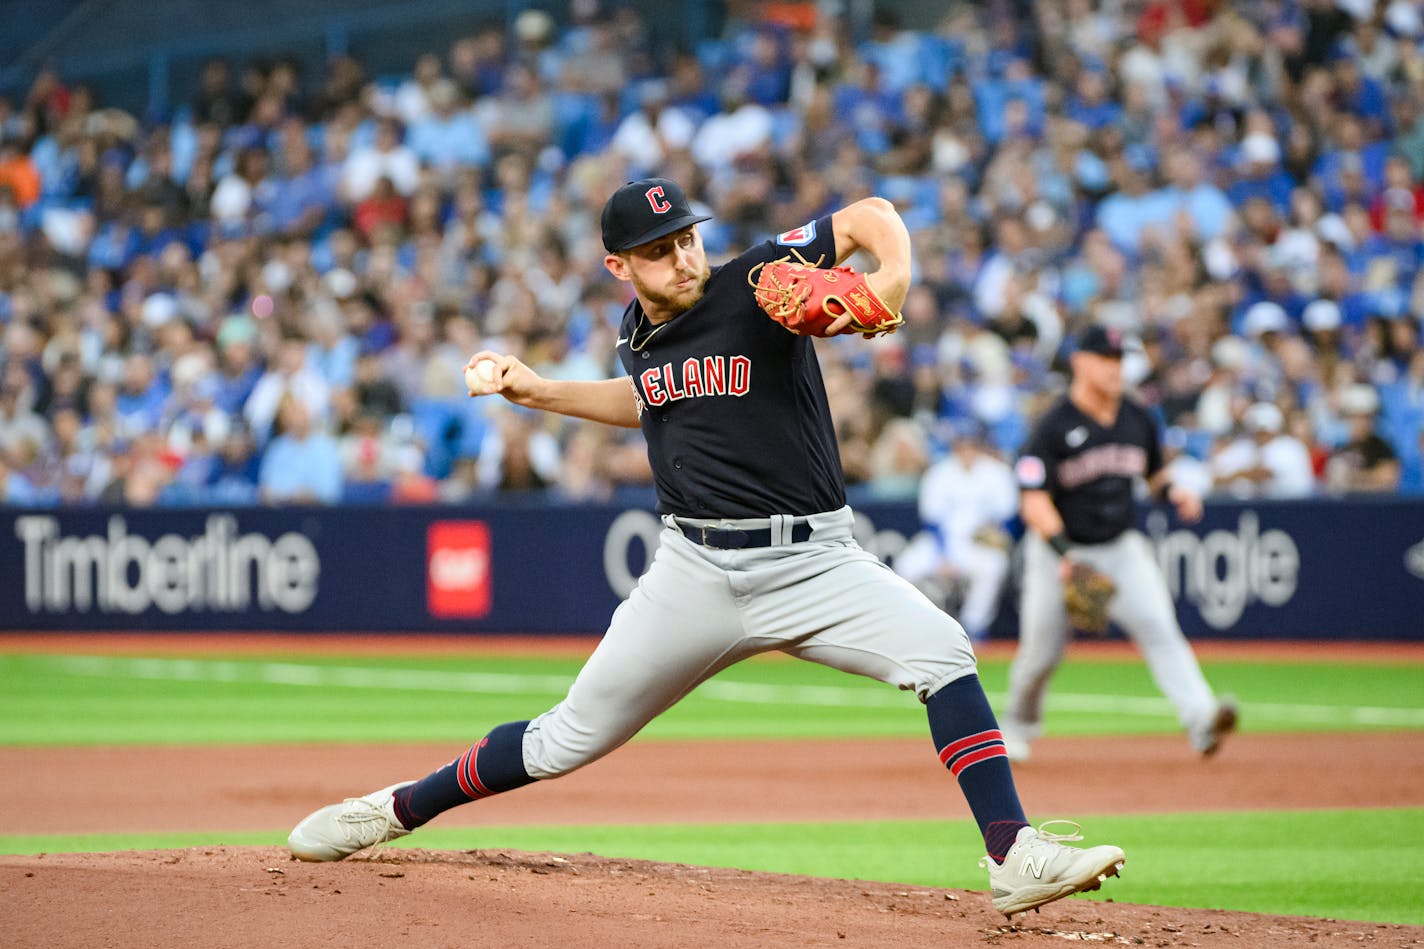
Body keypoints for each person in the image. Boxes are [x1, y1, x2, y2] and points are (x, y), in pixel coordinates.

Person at [287, 178, 1125, 918]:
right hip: (693, 569)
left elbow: (871, 214)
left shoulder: (756, 280)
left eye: (686, 238)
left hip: (812, 561)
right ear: (620, 266)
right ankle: (393, 808)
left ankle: (1011, 852)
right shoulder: (638, 333)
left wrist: (891, 277)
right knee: (560, 741)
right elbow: (654, 400)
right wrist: (537, 388)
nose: (682, 259)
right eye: (658, 251)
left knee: (943, 649)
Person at [1003, 326, 1238, 762]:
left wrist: (1175, 492)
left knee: (1159, 627)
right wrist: (1064, 555)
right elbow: (1032, 501)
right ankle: (1016, 727)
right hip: (1058, 550)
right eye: (1105, 359)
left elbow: (1153, 475)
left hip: (1120, 545)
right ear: (1080, 362)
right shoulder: (1053, 425)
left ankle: (1202, 720)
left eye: (1119, 359)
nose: (1115, 368)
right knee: (1040, 654)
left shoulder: (1137, 417)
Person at [895, 421, 1019, 641]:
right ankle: (915, 626)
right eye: (962, 445)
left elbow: (1006, 519)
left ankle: (974, 627)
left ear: (980, 446)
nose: (967, 450)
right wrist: (944, 556)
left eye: (971, 445)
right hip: (941, 542)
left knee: (994, 565)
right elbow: (933, 521)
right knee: (905, 566)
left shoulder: (997, 472)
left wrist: (998, 536)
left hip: (977, 545)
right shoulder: (939, 473)